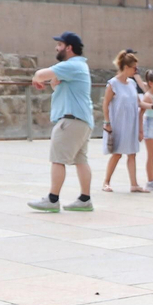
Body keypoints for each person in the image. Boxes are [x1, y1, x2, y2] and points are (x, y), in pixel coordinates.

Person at [27, 32, 96, 213]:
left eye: (59, 45)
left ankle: (52, 199)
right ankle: (84, 199)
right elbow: (56, 83)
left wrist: (36, 78)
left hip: (70, 120)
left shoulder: (71, 65)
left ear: (68, 47)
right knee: (81, 160)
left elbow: (41, 74)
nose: (56, 48)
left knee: (58, 160)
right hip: (83, 121)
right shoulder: (79, 66)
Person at [101, 50, 145, 193]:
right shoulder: (113, 83)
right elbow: (106, 103)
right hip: (118, 123)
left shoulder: (132, 83)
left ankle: (134, 184)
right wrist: (107, 122)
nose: (136, 71)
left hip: (131, 123)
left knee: (132, 153)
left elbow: (139, 103)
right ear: (126, 67)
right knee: (117, 153)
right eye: (134, 68)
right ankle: (106, 182)